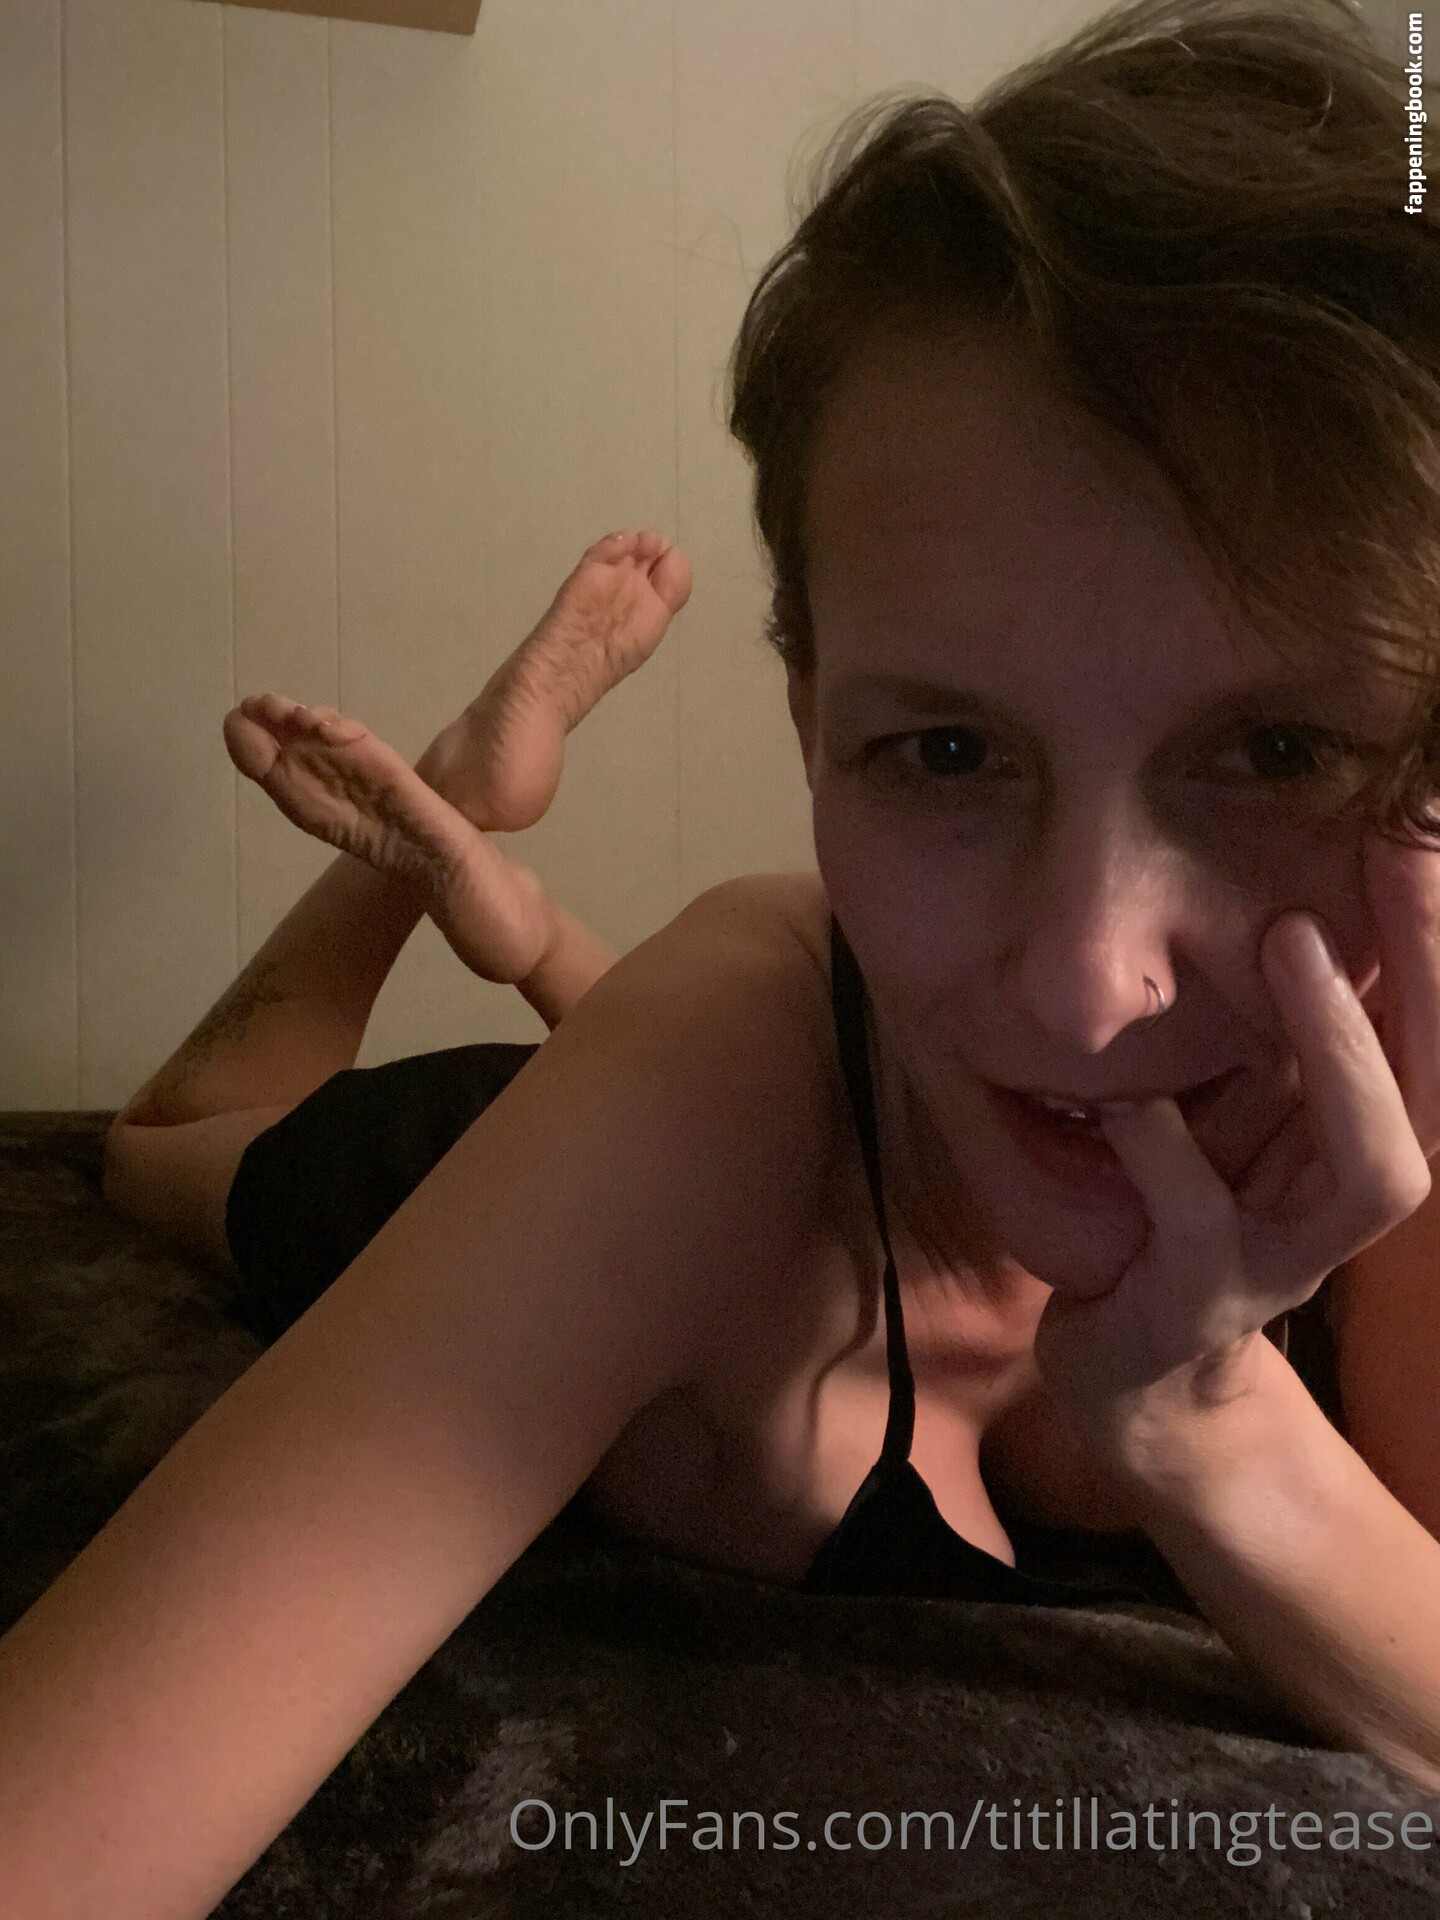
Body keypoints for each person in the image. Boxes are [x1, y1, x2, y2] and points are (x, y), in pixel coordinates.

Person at [5, 0, 1440, 1909]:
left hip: (792, 1088)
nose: (1091, 982)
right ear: (809, 722)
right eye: (946, 753)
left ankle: (507, 898)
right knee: (174, 1135)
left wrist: (1200, 1414)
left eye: (1276, 755)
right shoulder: (712, 1074)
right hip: (597, 1112)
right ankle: (451, 819)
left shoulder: (1400, 1044)